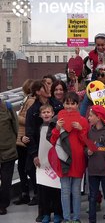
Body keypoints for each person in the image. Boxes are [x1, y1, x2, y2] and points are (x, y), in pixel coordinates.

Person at [49, 92, 89, 223]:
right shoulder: (58, 119)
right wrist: (57, 128)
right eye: (67, 103)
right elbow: (52, 141)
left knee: (76, 191)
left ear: (78, 105)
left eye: (73, 103)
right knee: (65, 191)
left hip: (78, 160)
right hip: (63, 160)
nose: (70, 106)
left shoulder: (83, 120)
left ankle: (76, 218)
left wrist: (81, 130)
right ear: (63, 104)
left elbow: (86, 143)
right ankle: (66, 218)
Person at [26, 80, 63, 212]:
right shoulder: (32, 111)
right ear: (38, 92)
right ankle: (43, 212)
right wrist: (34, 154)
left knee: (57, 183)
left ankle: (58, 211)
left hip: (57, 151)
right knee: (42, 183)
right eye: (46, 86)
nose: (49, 88)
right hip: (40, 153)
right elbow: (29, 133)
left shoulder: (58, 105)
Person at [87, 105, 105, 223]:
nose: (88, 118)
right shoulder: (90, 132)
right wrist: (87, 152)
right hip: (93, 170)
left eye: (91, 115)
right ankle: (92, 220)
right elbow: (85, 147)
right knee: (93, 197)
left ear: (98, 117)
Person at [37, 104, 63, 223]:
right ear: (40, 115)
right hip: (43, 164)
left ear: (53, 114)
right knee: (44, 190)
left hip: (55, 162)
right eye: (44, 112)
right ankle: (46, 213)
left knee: (56, 190)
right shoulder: (39, 128)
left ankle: (58, 213)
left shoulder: (55, 126)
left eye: (48, 112)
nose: (46, 114)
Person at [14, 79, 36, 205]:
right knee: (22, 167)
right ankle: (25, 193)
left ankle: (29, 193)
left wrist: (17, 116)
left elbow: (28, 120)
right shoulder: (27, 100)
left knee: (26, 168)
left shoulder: (30, 101)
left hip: (24, 139)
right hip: (21, 138)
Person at [0, 99, 18, 215]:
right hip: (8, 147)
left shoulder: (7, 106)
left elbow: (15, 126)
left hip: (8, 150)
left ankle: (3, 205)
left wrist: (12, 142)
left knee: (6, 180)